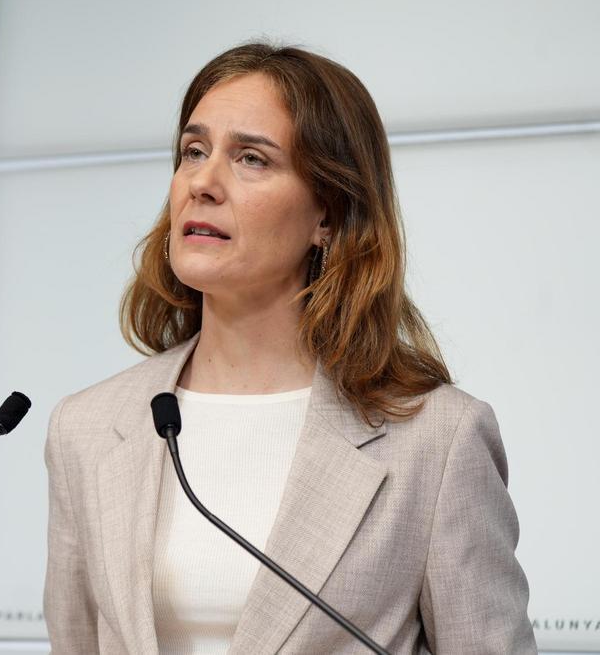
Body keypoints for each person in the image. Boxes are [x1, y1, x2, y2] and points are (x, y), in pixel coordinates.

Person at [42, 42, 535, 654]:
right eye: (193, 151)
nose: (203, 182)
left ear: (327, 215)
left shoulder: (438, 440)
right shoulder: (86, 428)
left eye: (251, 158)